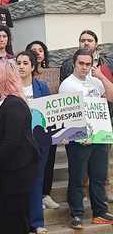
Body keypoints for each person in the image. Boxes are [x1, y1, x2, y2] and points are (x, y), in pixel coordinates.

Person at [0, 61, 39, 234]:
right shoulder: (4, 102)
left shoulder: (14, 104)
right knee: (0, 218)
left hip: (15, 173)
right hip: (5, 172)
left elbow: (12, 141)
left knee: (13, 221)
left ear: (1, 78)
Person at [58, 48, 113, 229]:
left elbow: (111, 97)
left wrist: (101, 77)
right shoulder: (67, 84)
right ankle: (77, 214)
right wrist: (78, 134)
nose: (84, 67)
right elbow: (66, 115)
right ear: (74, 63)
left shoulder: (96, 82)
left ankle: (100, 212)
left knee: (99, 177)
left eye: (88, 64)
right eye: (81, 63)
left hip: (99, 136)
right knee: (78, 177)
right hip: (79, 139)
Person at [15, 50, 50, 234]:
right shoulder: (10, 87)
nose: (21, 66)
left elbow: (49, 113)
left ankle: (36, 223)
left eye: (25, 63)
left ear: (32, 66)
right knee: (20, 182)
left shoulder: (42, 87)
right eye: (18, 63)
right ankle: (21, 223)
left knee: (37, 181)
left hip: (39, 141)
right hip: (18, 142)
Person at [26, 40, 60, 210]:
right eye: (34, 50)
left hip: (49, 122)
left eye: (41, 50)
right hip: (29, 126)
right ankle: (33, 197)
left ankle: (45, 194)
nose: (38, 53)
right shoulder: (24, 76)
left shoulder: (54, 73)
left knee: (49, 161)